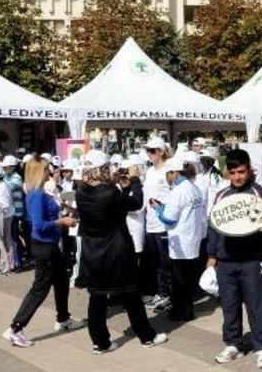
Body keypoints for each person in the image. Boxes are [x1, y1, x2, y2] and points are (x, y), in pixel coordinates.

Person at [75, 150, 167, 354]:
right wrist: (134, 180)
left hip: (93, 252)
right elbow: (135, 203)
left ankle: (100, 342)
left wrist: (119, 187)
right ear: (103, 169)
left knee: (97, 297)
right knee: (131, 293)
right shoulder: (109, 193)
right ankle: (147, 335)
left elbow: (113, 206)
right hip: (116, 250)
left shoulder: (81, 191)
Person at [2, 157, 85, 348]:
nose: (52, 171)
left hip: (50, 245)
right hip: (43, 246)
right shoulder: (37, 194)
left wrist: (63, 213)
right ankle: (15, 328)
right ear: (39, 171)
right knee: (39, 288)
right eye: (48, 169)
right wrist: (61, 222)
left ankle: (63, 318)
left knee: (62, 280)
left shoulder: (38, 192)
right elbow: (38, 225)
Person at [207, 149, 262, 368]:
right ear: (228, 172)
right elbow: (214, 227)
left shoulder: (260, 194)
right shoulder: (221, 195)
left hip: (252, 260)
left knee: (257, 305)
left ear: (249, 171)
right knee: (229, 305)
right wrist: (211, 256)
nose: (237, 176)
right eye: (233, 172)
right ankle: (233, 344)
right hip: (226, 260)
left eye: (241, 172)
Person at [155, 156, 205, 322]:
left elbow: (169, 219)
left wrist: (157, 209)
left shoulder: (178, 191)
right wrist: (164, 208)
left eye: (168, 174)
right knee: (189, 279)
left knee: (179, 280)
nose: (166, 178)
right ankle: (187, 309)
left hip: (181, 241)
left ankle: (180, 312)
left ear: (174, 173)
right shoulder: (194, 187)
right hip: (193, 238)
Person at [141, 135, 173, 310]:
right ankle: (160, 292)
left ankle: (167, 295)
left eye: (152, 150)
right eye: (148, 150)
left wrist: (163, 208)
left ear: (161, 152)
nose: (149, 153)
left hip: (163, 223)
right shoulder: (150, 170)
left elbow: (173, 194)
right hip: (150, 222)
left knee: (164, 261)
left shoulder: (168, 169)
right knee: (155, 261)